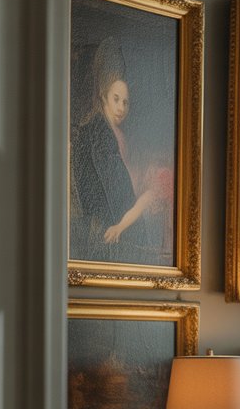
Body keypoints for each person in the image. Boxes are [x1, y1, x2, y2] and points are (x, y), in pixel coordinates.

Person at [71, 39, 171, 264]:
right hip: (106, 226)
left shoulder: (115, 134)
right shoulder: (98, 131)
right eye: (116, 99)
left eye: (125, 102)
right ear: (104, 96)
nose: (121, 107)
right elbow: (112, 189)